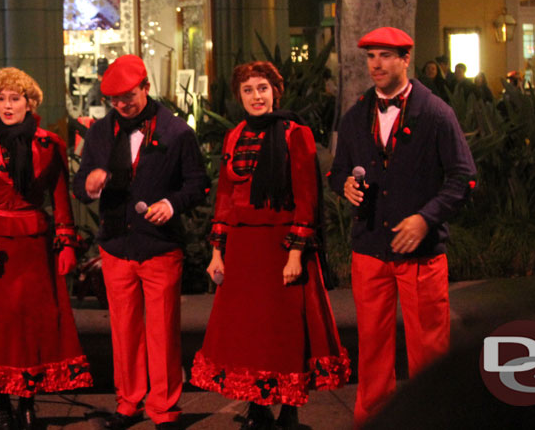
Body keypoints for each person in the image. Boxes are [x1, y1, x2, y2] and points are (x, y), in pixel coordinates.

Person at [329, 27, 476, 427]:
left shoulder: (436, 112)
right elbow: (337, 170)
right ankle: (372, 420)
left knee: (429, 349)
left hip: (421, 254)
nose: (376, 64)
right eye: (371, 56)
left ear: (406, 59)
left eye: (385, 56)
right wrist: (342, 185)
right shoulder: (357, 114)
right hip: (369, 249)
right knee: (373, 348)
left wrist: (426, 218)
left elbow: (464, 177)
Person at [191, 61, 350, 429]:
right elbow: (226, 196)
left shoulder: (295, 133)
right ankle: (257, 407)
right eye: (248, 90)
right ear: (239, 97)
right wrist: (217, 251)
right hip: (244, 248)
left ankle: (288, 410)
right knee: (249, 333)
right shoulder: (235, 136)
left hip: (281, 246)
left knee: (283, 333)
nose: (256, 96)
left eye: (262, 88)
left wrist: (296, 253)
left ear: (275, 91)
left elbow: (306, 197)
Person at [0, 67, 93, 429]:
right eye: (1, 99)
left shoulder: (49, 144)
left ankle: (27, 405)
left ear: (30, 102)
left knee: (29, 328)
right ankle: (1, 408)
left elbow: (61, 200)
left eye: (15, 98)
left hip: (33, 248)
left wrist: (66, 245)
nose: (8, 106)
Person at [73, 55, 209, 430]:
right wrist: (88, 184)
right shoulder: (101, 132)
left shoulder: (176, 131)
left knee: (162, 331)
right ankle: (128, 402)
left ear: (146, 87)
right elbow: (80, 182)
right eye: (114, 99)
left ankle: (163, 408)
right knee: (124, 329)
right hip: (116, 243)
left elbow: (198, 185)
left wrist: (171, 203)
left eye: (128, 97)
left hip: (159, 245)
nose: (121, 105)